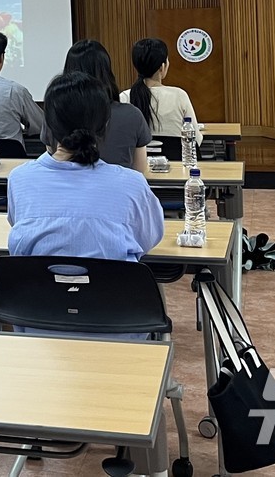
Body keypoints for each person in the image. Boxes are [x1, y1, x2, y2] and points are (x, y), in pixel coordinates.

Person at [9, 72, 164, 334]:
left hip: (37, 331)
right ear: (105, 125)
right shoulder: (131, 184)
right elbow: (148, 238)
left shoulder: (20, 179)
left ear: (48, 126)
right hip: (119, 331)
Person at [43, 40, 151, 173]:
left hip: (64, 190)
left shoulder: (57, 114)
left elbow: (51, 162)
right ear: (107, 72)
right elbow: (140, 171)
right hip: (117, 190)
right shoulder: (132, 115)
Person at [121, 38, 200, 145]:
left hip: (135, 161)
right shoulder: (179, 95)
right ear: (162, 67)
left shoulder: (124, 97)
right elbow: (195, 139)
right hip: (177, 160)